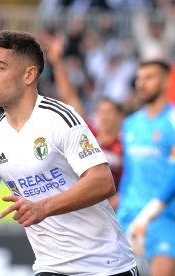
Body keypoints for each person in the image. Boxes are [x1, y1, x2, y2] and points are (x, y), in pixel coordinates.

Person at [0, 30, 138, 275]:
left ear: (29, 74)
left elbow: (102, 181)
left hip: (106, 266)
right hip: (49, 268)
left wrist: (43, 207)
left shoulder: (60, 118)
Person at [43, 33, 124, 209]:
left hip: (120, 208)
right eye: (100, 112)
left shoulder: (126, 142)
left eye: (109, 112)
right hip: (89, 205)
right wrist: (57, 62)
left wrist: (121, 196)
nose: (103, 116)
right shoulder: (89, 134)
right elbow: (70, 98)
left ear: (120, 116)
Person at [116, 60, 175, 276]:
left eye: (149, 77)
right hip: (128, 216)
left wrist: (148, 214)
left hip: (164, 218)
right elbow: (130, 173)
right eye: (139, 78)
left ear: (166, 80)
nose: (141, 83)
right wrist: (121, 209)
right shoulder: (130, 123)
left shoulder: (173, 121)